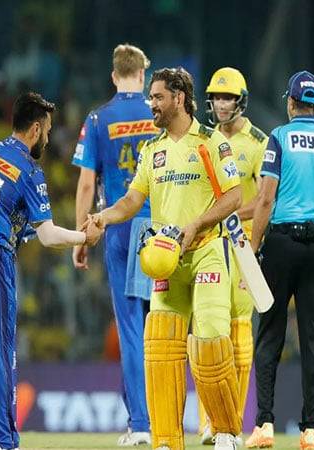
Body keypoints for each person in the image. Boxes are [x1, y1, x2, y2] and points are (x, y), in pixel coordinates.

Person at [89, 67, 243, 450]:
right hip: (166, 260)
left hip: (206, 252)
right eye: (150, 97)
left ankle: (226, 430)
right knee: (158, 349)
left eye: (157, 97)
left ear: (178, 98)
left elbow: (234, 197)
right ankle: (167, 439)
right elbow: (132, 200)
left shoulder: (211, 143)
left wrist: (195, 225)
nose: (151, 104)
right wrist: (103, 217)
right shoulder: (152, 150)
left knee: (209, 343)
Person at [0, 92, 100, 450]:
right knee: (0, 348)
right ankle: (4, 439)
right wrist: (85, 236)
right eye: (46, 130)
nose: (47, 138)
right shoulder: (29, 170)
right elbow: (48, 236)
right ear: (35, 129)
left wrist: (14, 228)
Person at [246, 71, 314, 450]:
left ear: (291, 103)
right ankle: (310, 431)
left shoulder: (280, 137)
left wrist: (254, 250)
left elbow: (265, 199)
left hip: (282, 242)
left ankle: (265, 425)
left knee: (270, 332)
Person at [71, 43, 158, 447]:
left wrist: (81, 233)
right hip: (160, 229)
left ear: (113, 75)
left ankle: (139, 424)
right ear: (142, 75)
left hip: (119, 227)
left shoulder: (98, 118)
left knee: (130, 331)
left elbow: (87, 182)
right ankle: (167, 420)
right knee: (163, 327)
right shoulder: (159, 115)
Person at [197, 67, 268, 445]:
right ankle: (209, 419)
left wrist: (225, 212)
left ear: (240, 101)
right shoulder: (203, 139)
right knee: (209, 333)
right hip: (208, 244)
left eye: (228, 98)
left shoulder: (258, 142)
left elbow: (261, 201)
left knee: (239, 335)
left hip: (240, 246)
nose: (221, 104)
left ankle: (231, 421)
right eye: (216, 97)